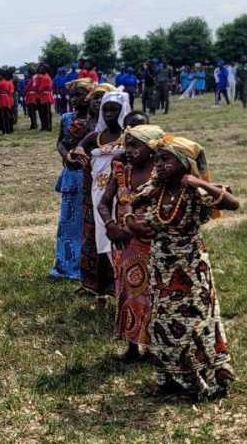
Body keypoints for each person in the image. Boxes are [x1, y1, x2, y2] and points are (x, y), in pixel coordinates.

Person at [127, 134, 238, 399]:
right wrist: (131, 221)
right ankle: (169, 379)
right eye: (158, 159)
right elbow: (131, 202)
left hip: (191, 266)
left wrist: (199, 182)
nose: (160, 165)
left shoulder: (194, 190)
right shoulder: (157, 188)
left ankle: (202, 378)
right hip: (161, 264)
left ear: (183, 161)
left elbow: (232, 203)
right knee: (163, 322)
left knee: (194, 322)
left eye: (166, 159)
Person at [97, 124, 162, 361]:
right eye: (128, 145)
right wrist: (110, 225)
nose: (130, 150)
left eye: (136, 145)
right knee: (128, 292)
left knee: (154, 294)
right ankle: (133, 347)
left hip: (154, 240)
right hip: (125, 243)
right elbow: (103, 203)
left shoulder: (161, 172)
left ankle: (156, 347)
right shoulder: (121, 171)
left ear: (153, 147)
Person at [70, 83, 117, 300]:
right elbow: (71, 146)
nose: (100, 104)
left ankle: (115, 285)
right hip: (93, 190)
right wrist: (76, 153)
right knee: (92, 234)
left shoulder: (129, 133)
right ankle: (91, 283)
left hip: (118, 190)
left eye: (105, 100)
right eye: (97, 98)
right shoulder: (90, 130)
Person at [50, 77, 95, 280]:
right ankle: (66, 265)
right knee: (68, 223)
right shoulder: (67, 118)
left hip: (88, 176)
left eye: (80, 94)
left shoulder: (97, 121)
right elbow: (60, 142)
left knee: (86, 223)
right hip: (70, 175)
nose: (75, 99)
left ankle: (86, 266)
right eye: (73, 95)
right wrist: (65, 154)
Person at [0, 69, 15, 134]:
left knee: (3, 116)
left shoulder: (0, 83)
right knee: (8, 115)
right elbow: (11, 92)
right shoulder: (8, 83)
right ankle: (8, 130)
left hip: (2, 100)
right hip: (7, 99)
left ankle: (5, 131)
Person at [36, 64, 54, 131]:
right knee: (45, 112)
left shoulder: (45, 77)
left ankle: (49, 127)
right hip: (44, 96)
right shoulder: (45, 76)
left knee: (47, 113)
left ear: (45, 70)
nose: (40, 70)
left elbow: (40, 88)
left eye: (42, 69)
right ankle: (47, 126)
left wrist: (39, 89)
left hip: (46, 96)